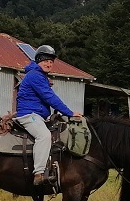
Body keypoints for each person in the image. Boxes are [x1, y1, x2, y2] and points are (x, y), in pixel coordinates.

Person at [15, 45, 82, 185]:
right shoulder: (35, 76)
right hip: (29, 115)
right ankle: (38, 173)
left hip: (37, 115)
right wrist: (69, 113)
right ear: (38, 61)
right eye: (46, 61)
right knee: (44, 135)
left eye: (51, 62)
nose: (49, 64)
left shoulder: (40, 76)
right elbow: (50, 97)